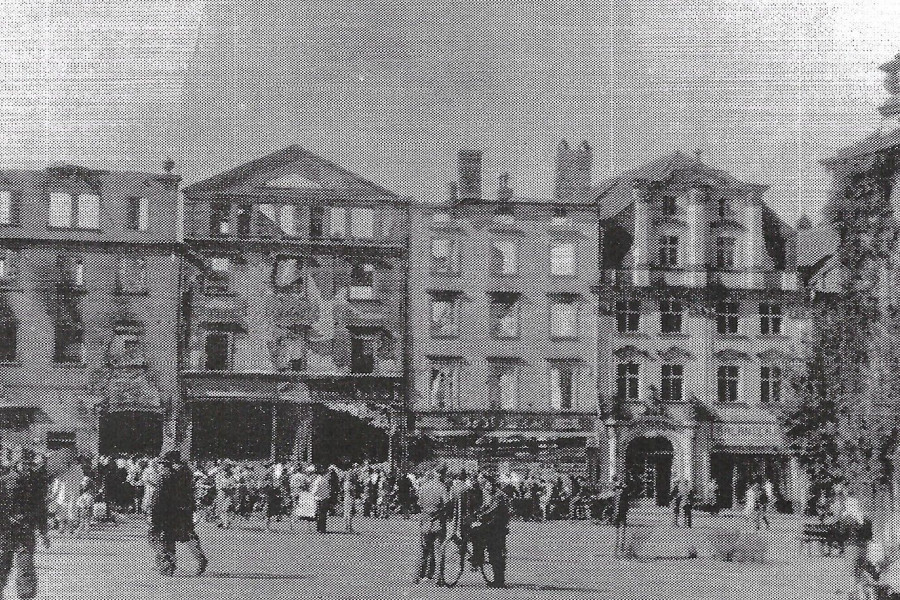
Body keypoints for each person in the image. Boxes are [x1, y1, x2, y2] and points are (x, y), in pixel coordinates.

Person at [147, 451, 207, 577]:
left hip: (168, 511)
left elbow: (159, 497)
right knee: (185, 535)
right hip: (182, 510)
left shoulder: (167, 476)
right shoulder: (185, 473)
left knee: (158, 536)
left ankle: (167, 564)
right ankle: (196, 558)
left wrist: (153, 511)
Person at [0, 447, 50, 600]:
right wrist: (7, 518)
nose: (26, 466)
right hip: (5, 531)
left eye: (28, 463)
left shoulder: (36, 483)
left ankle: (25, 596)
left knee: (25, 566)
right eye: (23, 463)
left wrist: (44, 532)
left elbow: (41, 508)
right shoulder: (4, 481)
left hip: (26, 530)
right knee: (3, 565)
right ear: (16, 463)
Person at [472, 472, 510, 588]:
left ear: (491, 483)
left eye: (486, 484)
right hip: (492, 526)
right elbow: (485, 507)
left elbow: (492, 509)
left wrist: (480, 516)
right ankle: (478, 558)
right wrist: (477, 513)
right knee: (492, 552)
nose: (485, 487)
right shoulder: (490, 493)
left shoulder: (498, 495)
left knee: (496, 554)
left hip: (497, 528)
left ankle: (499, 580)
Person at [415, 467, 448, 586]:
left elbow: (419, 503)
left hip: (425, 520)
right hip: (438, 521)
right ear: (441, 475)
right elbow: (447, 502)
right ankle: (439, 577)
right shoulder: (442, 487)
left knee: (424, 549)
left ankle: (419, 575)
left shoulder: (423, 487)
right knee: (439, 550)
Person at [612, 476, 631, 558]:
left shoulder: (621, 491)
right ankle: (618, 549)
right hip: (619, 511)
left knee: (621, 530)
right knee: (619, 530)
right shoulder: (617, 490)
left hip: (621, 510)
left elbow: (622, 502)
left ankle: (620, 549)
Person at [310, 465, 331, 534]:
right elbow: (328, 490)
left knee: (319, 514)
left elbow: (315, 490)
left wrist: (311, 494)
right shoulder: (325, 480)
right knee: (324, 515)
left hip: (318, 499)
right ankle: (323, 528)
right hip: (325, 498)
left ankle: (319, 528)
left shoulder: (317, 480)